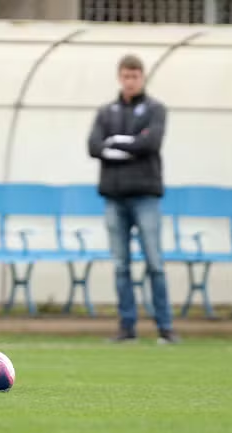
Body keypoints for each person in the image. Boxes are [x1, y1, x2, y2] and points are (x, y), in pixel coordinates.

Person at [87, 54, 178, 344]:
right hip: (114, 198)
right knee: (121, 265)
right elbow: (94, 146)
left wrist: (116, 142)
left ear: (142, 77)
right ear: (120, 77)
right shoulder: (106, 112)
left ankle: (165, 328)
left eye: (135, 76)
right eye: (126, 76)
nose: (130, 81)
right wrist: (130, 146)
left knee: (155, 263)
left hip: (145, 196)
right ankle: (127, 329)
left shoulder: (155, 109)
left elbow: (150, 143)